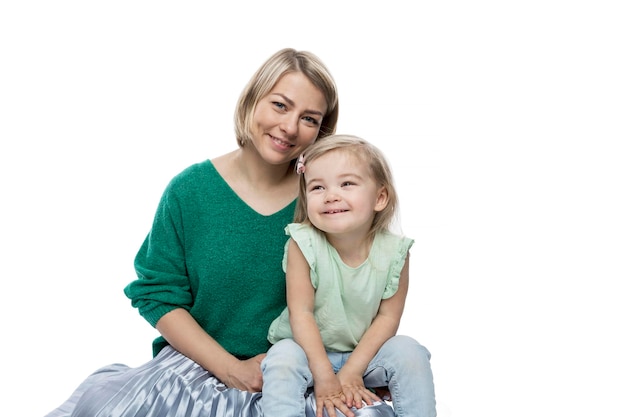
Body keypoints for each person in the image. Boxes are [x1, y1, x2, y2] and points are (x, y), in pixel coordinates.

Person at [45, 47, 340, 417]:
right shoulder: (190, 191)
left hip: (296, 379)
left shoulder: (325, 203)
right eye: (280, 105)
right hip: (194, 374)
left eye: (309, 118)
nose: (291, 127)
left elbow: (355, 289)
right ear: (251, 101)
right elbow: (158, 294)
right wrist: (231, 369)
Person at [261, 135, 437, 417]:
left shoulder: (395, 252)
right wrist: (324, 377)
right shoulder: (302, 242)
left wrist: (353, 371)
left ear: (380, 197)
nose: (331, 195)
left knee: (409, 351)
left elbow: (388, 318)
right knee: (282, 358)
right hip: (307, 352)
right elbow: (301, 312)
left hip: (364, 355)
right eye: (318, 187)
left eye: (346, 184)